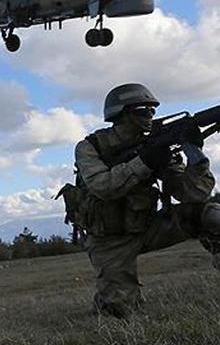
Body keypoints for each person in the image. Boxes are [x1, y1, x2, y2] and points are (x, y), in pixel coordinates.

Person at [75, 83, 220, 319]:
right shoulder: (90, 147)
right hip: (109, 241)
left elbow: (191, 194)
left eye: (152, 111)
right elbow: (103, 187)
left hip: (149, 227)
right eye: (143, 110)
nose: (150, 117)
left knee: (211, 215)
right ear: (121, 113)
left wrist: (196, 154)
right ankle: (110, 299)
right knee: (118, 312)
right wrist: (145, 162)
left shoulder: (156, 146)